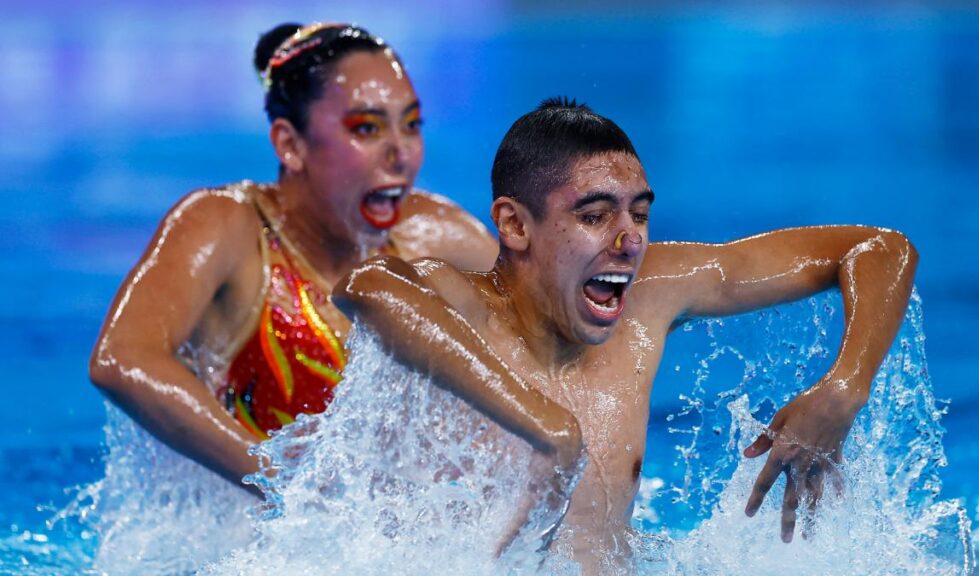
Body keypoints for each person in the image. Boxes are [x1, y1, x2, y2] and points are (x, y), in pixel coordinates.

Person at [334, 98, 918, 571]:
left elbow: (880, 248)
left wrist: (846, 386)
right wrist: (547, 425)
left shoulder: (651, 296)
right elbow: (366, 287)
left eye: (638, 213)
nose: (630, 239)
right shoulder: (463, 305)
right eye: (594, 216)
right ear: (514, 224)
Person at [88, 22, 498, 495]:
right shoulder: (227, 227)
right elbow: (122, 359)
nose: (400, 154)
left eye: (411, 125)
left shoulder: (434, 238)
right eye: (366, 128)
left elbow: (555, 337)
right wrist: (280, 483)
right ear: (289, 144)